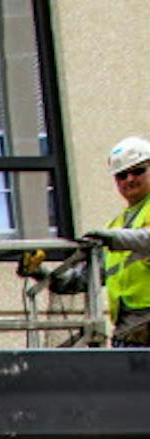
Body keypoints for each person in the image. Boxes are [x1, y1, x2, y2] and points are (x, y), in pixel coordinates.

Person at [80, 137, 150, 346]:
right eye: (121, 175)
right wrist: (41, 273)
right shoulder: (115, 226)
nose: (129, 179)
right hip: (128, 333)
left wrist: (113, 238)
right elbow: (87, 276)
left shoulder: (113, 234)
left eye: (138, 171)